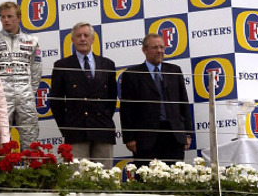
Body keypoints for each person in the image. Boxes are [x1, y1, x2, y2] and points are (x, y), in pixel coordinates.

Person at [50, 22, 117, 164]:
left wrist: (102, 118)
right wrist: (67, 128)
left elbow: (111, 99)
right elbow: (56, 102)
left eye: (86, 35)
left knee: (104, 179)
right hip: (76, 131)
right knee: (77, 179)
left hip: (102, 129)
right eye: (78, 36)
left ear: (92, 39)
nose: (82, 39)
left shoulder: (107, 64)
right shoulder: (62, 66)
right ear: (72, 40)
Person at [120, 33, 191, 164]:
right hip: (146, 139)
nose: (159, 51)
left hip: (174, 136)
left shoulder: (174, 70)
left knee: (176, 179)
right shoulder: (132, 74)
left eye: (162, 47)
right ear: (144, 50)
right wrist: (129, 138)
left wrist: (187, 134)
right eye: (155, 47)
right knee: (147, 181)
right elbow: (126, 110)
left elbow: (183, 103)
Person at [0, 2, 42, 149]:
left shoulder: (32, 41)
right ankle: (0, 170)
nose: (6, 20)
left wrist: (28, 91)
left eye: (10, 16)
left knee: (30, 138)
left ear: (19, 18)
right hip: (0, 96)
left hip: (25, 95)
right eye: (3, 17)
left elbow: (36, 71)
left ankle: (31, 170)